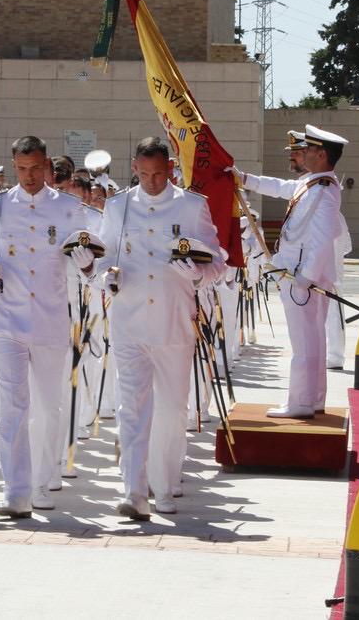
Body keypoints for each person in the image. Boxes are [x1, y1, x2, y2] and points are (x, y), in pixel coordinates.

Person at [94, 137, 223, 519]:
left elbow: (218, 262)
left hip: (173, 321)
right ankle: (134, 491)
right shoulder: (118, 207)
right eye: (145, 174)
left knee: (170, 408)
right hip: (129, 321)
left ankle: (164, 486)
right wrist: (107, 277)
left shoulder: (191, 206)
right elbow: (104, 258)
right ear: (135, 169)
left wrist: (198, 274)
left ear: (170, 169)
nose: (152, 182)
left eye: (159, 174)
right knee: (131, 408)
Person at [0, 135, 90, 518]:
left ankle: (42, 479)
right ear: (13, 167)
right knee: (13, 406)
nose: (28, 176)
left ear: (48, 167)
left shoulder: (70, 208)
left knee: (49, 406)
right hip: (8, 317)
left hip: (52, 318)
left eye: (35, 168)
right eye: (21, 169)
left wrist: (91, 266)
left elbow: (88, 262)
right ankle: (15, 489)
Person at [229, 124, 346, 418]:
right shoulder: (313, 183)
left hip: (301, 279)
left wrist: (304, 278)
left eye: (308, 149)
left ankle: (301, 403)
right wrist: (244, 179)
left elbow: (322, 239)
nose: (302, 153)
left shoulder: (325, 190)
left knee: (305, 342)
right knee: (313, 340)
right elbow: (280, 187)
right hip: (298, 275)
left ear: (321, 154)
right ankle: (314, 399)